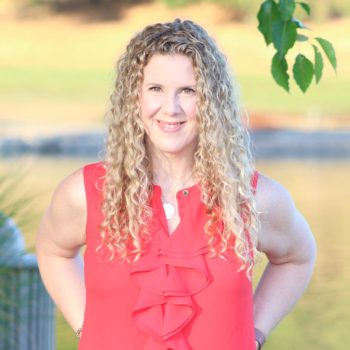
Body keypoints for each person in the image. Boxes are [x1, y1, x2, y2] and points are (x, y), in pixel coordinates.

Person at [36, 19, 317, 350]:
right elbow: (53, 251)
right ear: (134, 98)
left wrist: (253, 335)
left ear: (212, 100)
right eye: (155, 89)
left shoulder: (253, 198)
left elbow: (297, 257)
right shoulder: (86, 193)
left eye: (188, 91)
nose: (170, 109)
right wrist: (88, 328)